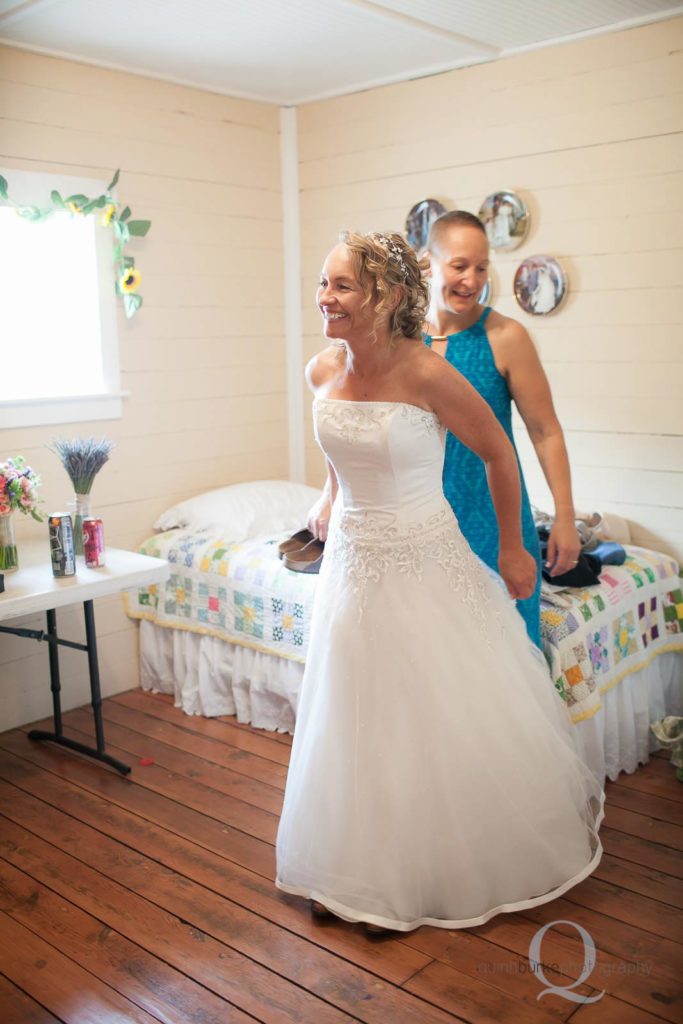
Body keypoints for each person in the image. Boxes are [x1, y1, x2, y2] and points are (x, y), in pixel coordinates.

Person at [275, 231, 604, 934]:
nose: (324, 298)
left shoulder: (426, 373)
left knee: (415, 711)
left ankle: (415, 878)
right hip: (352, 562)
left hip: (423, 555)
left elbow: (498, 454)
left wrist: (516, 549)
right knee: (353, 708)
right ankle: (352, 872)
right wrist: (329, 496)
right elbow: (340, 451)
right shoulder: (322, 369)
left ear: (385, 296)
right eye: (322, 283)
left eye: (340, 286)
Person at [422, 210, 580, 647]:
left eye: (481, 267)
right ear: (428, 262)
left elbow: (546, 432)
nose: (471, 280)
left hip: (496, 524)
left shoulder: (506, 337)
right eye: (459, 266)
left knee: (508, 654)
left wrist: (565, 519)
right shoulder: (399, 342)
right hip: (418, 526)